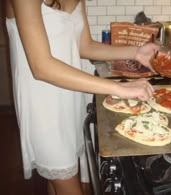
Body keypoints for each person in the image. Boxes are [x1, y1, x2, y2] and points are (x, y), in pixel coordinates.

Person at [5, 0, 159, 194]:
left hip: (69, 93)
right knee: (65, 179)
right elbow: (41, 66)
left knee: (57, 178)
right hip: (42, 104)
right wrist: (119, 88)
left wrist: (136, 52)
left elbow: (84, 46)